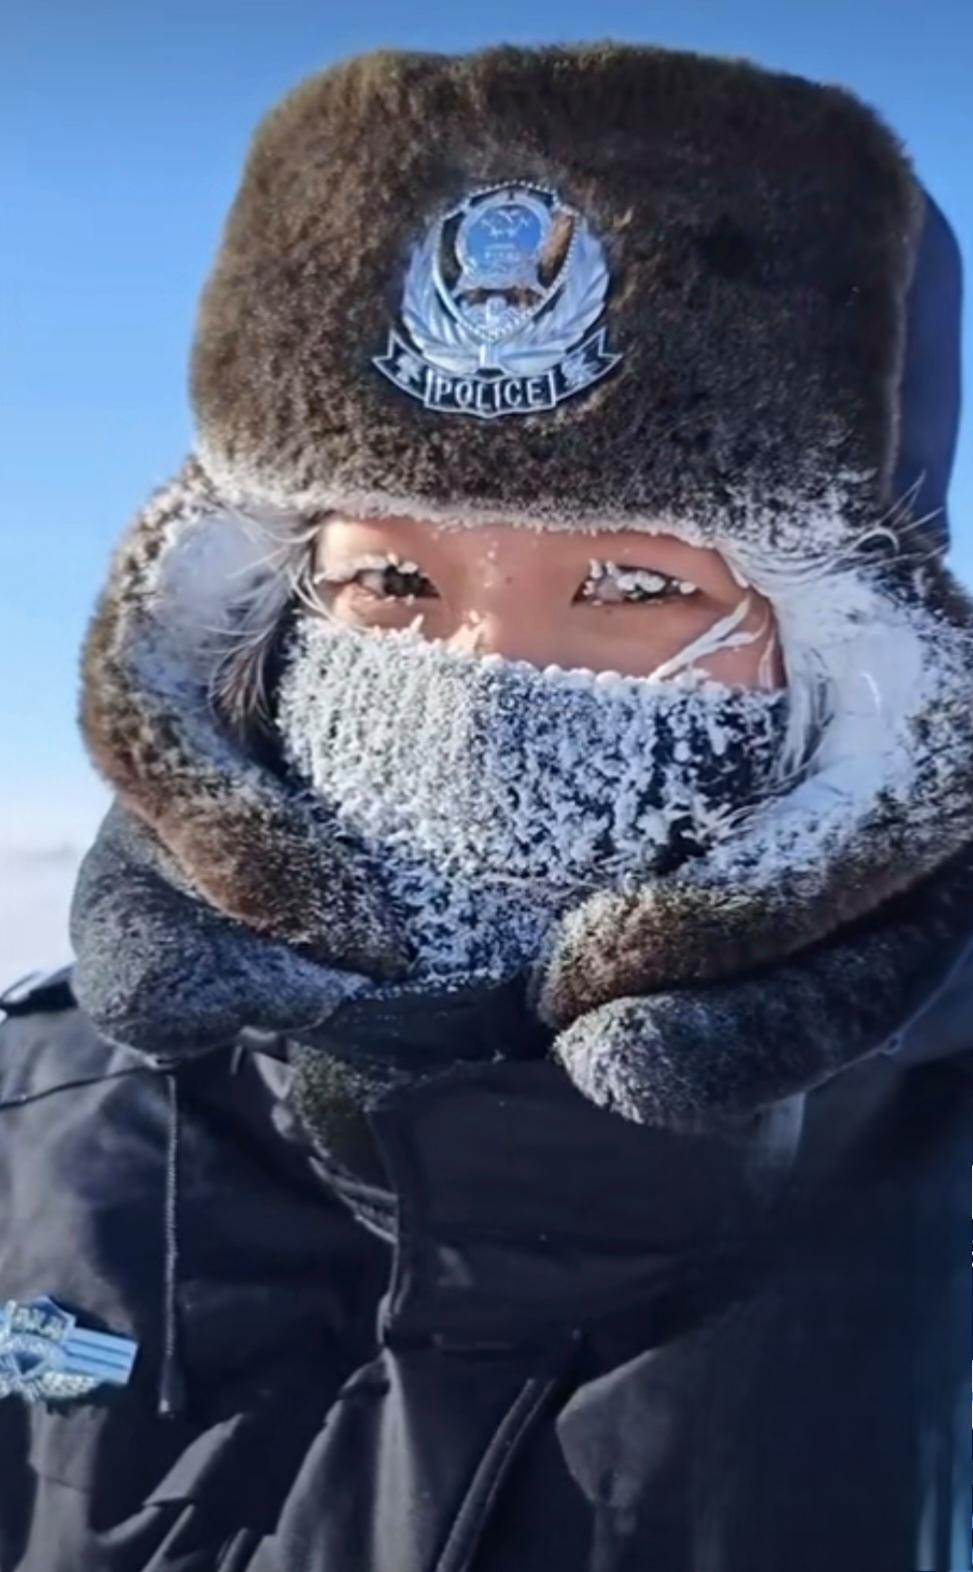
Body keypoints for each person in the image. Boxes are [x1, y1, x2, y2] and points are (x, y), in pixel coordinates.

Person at [0, 38, 970, 1572]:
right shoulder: (44, 1125)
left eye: (634, 584)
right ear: (262, 611)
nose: (487, 675)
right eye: (393, 578)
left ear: (851, 664)